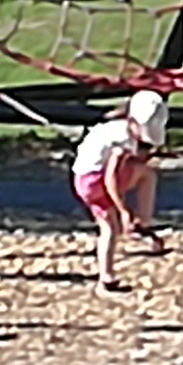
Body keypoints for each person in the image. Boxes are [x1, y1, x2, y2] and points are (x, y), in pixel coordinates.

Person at [71, 87, 171, 290]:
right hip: (97, 180)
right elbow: (111, 178)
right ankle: (141, 222)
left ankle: (106, 277)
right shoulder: (121, 141)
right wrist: (123, 209)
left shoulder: (114, 130)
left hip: (83, 181)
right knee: (147, 176)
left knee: (109, 228)